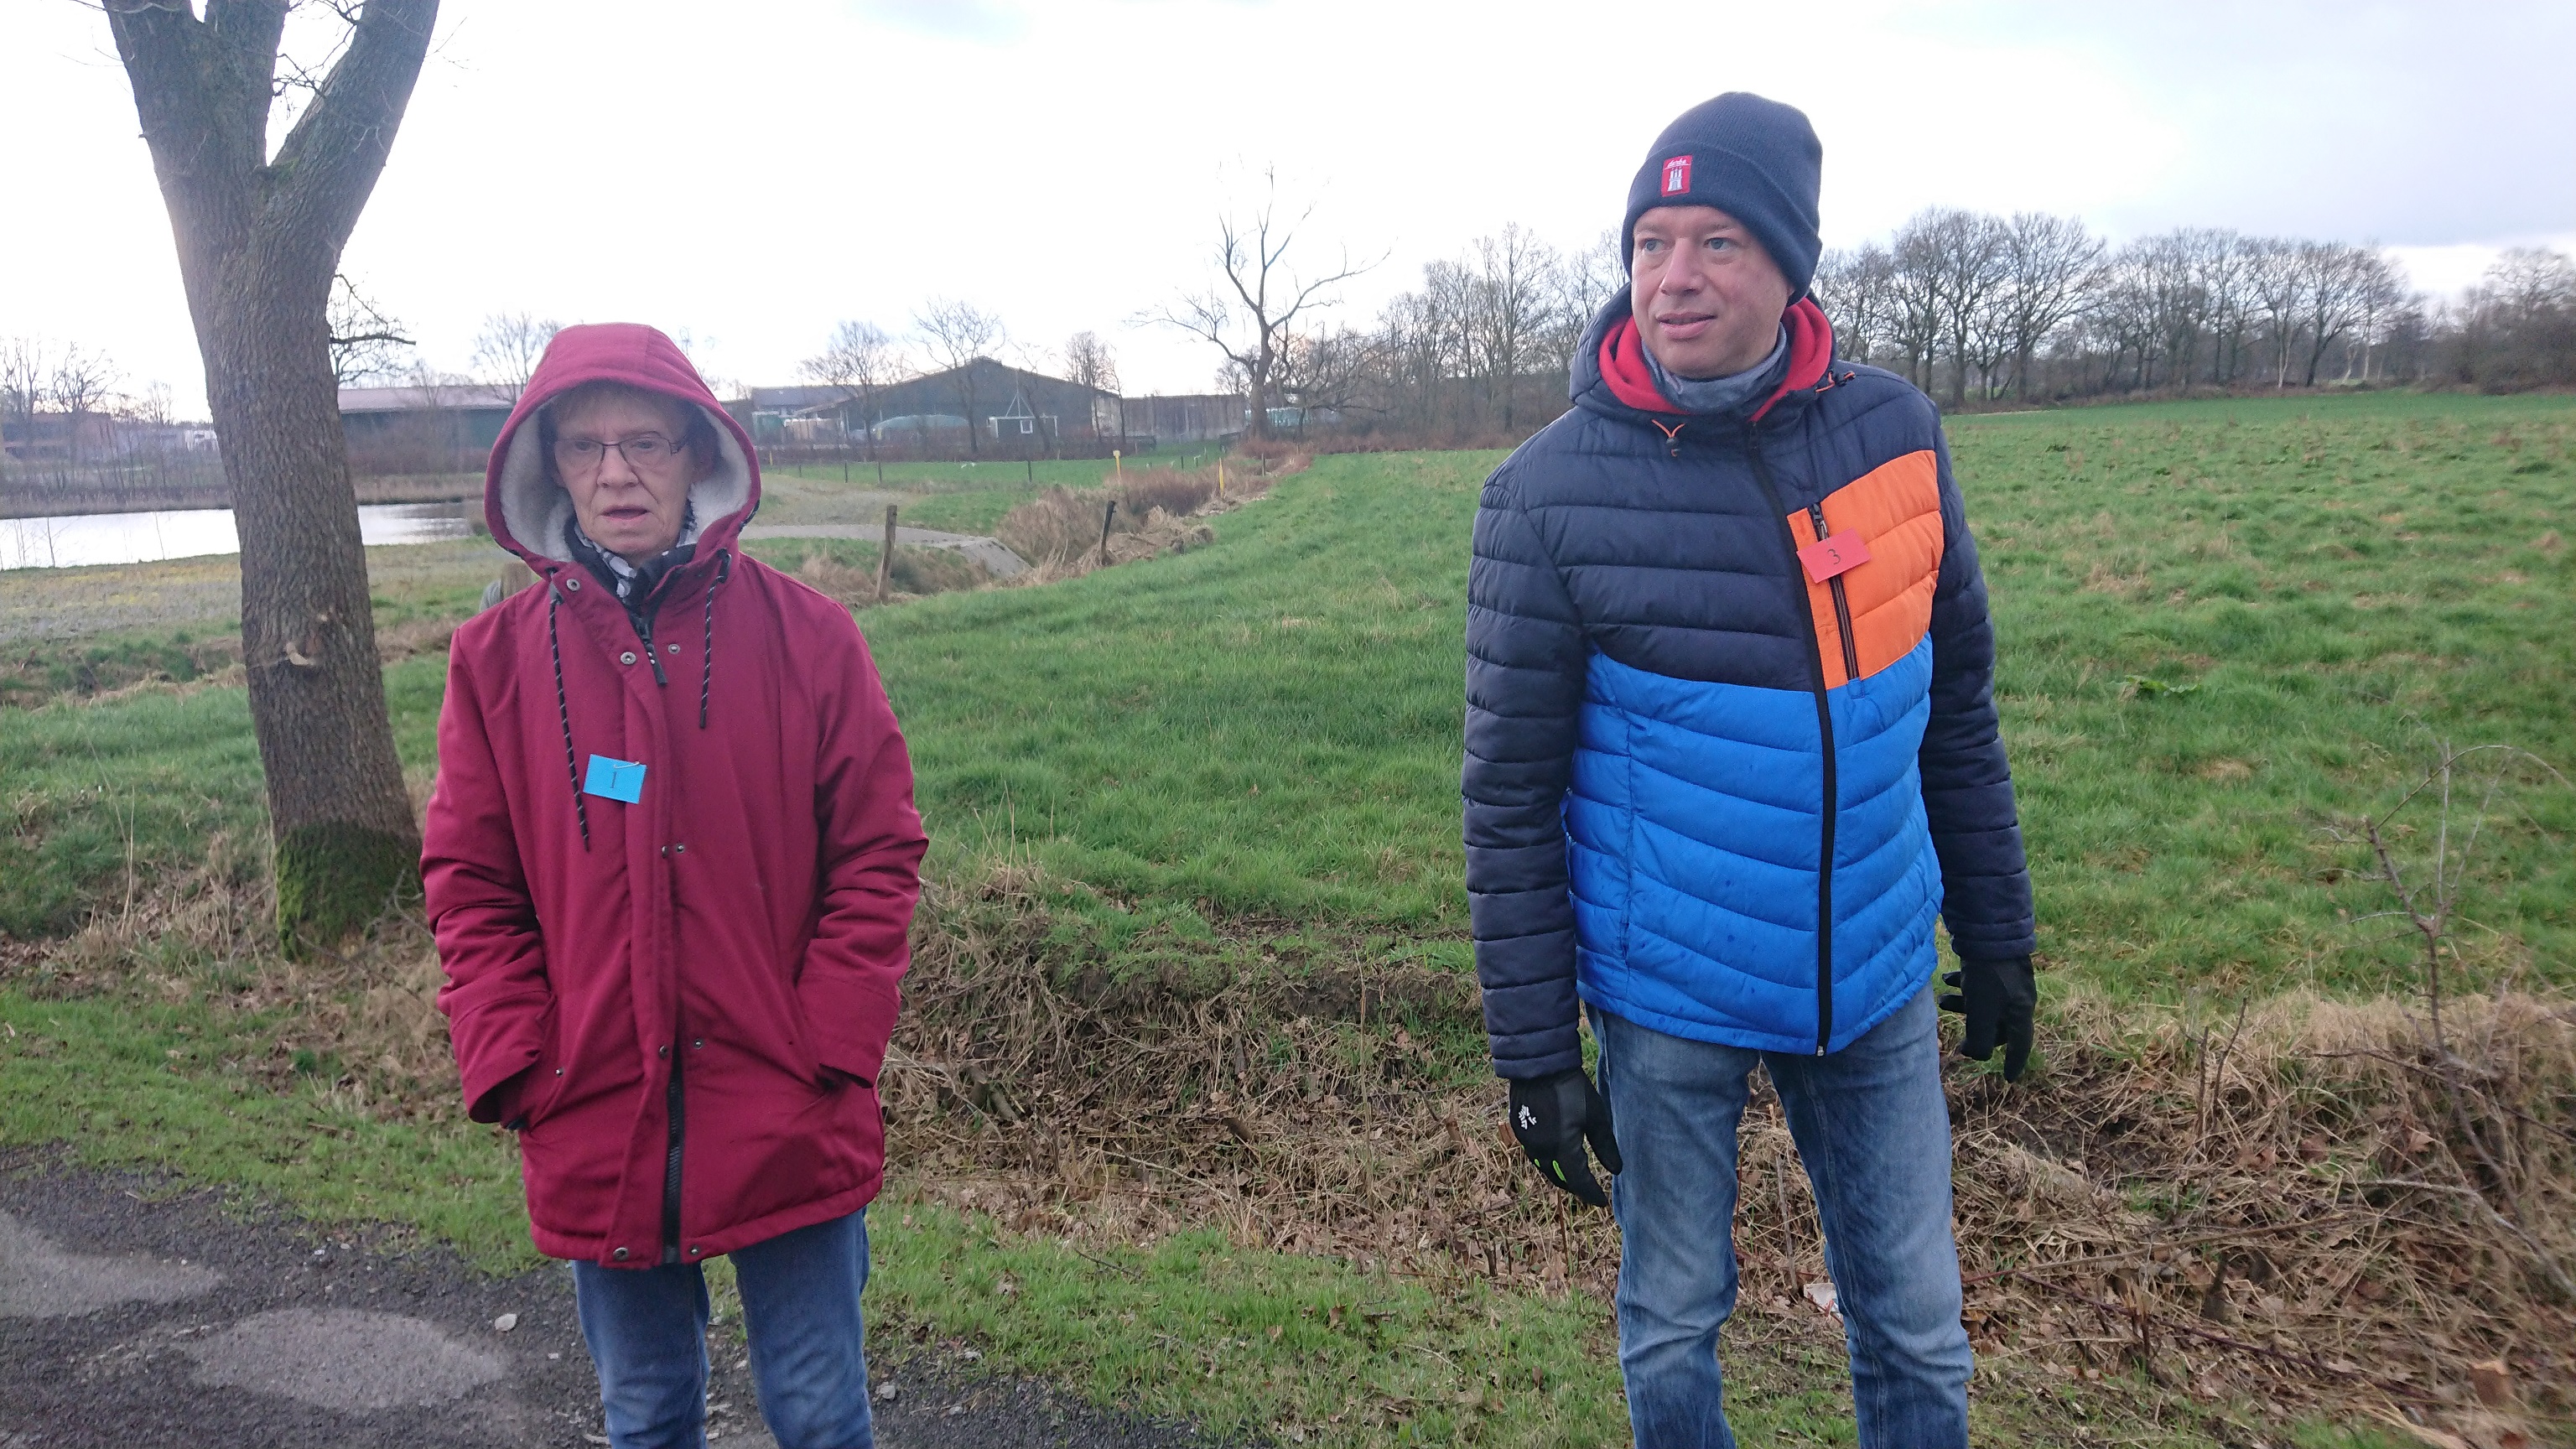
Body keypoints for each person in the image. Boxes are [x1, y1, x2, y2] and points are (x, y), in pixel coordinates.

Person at [1462, 93, 2038, 1448]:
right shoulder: (1545, 495)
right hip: (1671, 989)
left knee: (1917, 1331)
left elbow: (1954, 711)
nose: (1674, 277)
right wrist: (1535, 1052)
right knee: (1672, 1319)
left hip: (1876, 973)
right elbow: (1507, 796)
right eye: (1650, 243)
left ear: (1790, 262)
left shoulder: (1897, 435)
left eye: (1715, 241)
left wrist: (1997, 929)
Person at [426, 323, 927, 1449]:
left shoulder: (812, 638)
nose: (616, 474)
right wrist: (517, 1057)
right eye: (586, 446)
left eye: (644, 443)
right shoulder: (493, 663)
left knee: (820, 1413)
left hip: (788, 1093)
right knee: (646, 1417)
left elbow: (878, 848)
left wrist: (834, 1036)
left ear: (698, 452)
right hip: (595, 1104)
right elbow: (470, 883)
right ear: (549, 464)